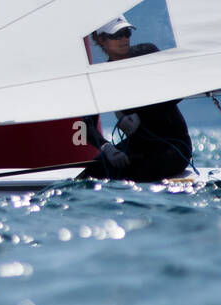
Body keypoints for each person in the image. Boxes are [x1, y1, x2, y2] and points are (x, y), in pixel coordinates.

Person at [80, 16, 192, 182]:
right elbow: (83, 128)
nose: (124, 39)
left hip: (174, 146)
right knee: (89, 174)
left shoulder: (147, 53)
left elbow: (178, 92)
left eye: (127, 33)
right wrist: (107, 148)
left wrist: (142, 115)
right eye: (117, 35)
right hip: (138, 147)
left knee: (138, 173)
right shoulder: (101, 77)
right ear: (100, 39)